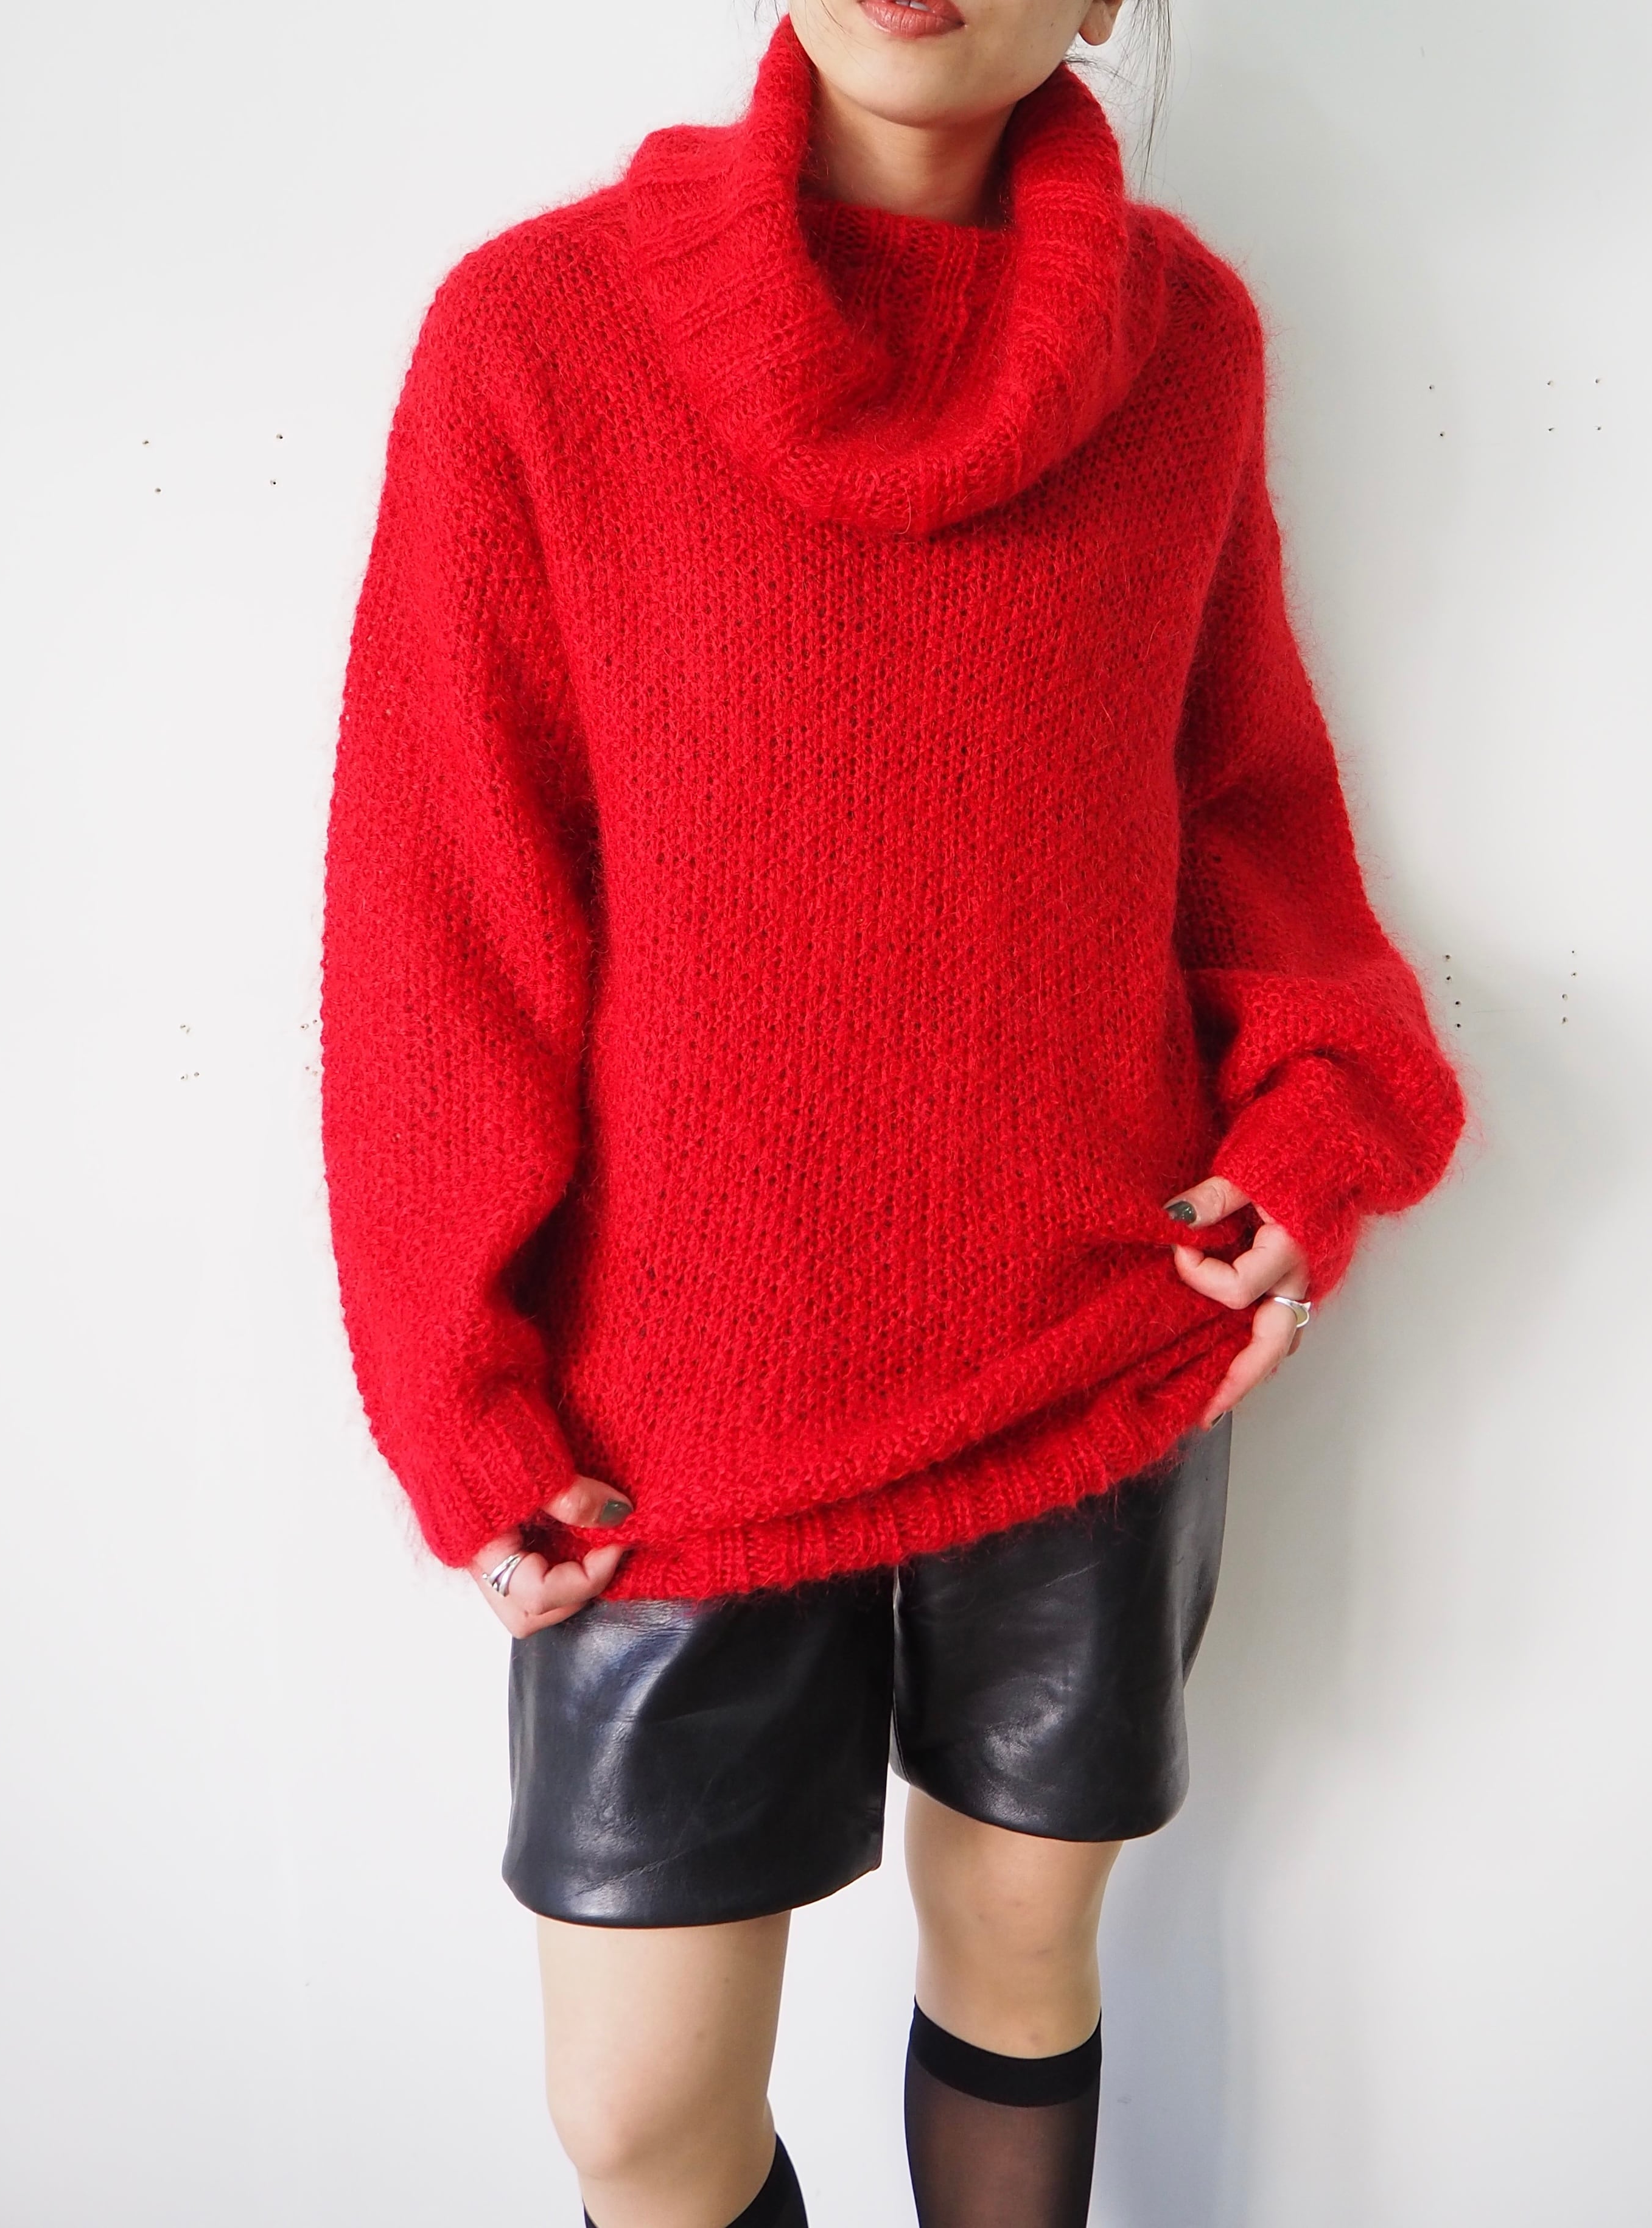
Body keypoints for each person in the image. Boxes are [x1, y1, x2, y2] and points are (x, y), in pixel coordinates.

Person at [319, 1, 1466, 2221]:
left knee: (1019, 1963)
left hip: (1087, 1342)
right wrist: (454, 1382)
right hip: (671, 1409)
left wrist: (1311, 1121)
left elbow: (1233, 805)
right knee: (636, 2116)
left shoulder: (1183, 347)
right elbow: (439, 897)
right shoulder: (536, 336)